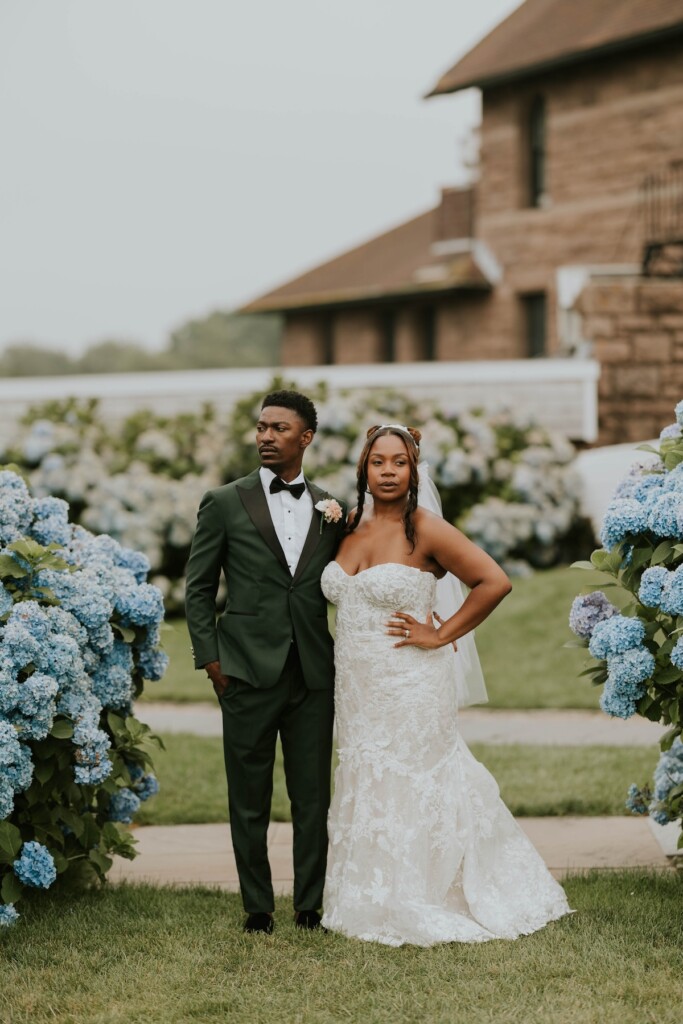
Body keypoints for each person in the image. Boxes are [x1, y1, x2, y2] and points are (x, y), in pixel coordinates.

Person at [320, 423, 572, 946]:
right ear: (363, 470)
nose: (388, 471)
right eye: (378, 462)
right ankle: (368, 892)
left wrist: (440, 633)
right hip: (360, 687)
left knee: (417, 778)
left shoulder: (426, 528)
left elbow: (493, 581)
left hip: (411, 683)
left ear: (414, 471)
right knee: (369, 773)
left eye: (399, 462)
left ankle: (425, 894)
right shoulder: (346, 528)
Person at [185, 390, 346, 934]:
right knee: (248, 797)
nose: (266, 437)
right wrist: (211, 660)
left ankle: (309, 905)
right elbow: (199, 589)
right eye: (261, 427)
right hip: (245, 672)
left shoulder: (331, 508)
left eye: (279, 429)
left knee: (312, 796)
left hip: (313, 675)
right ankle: (257, 907)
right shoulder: (224, 501)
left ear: (306, 438)